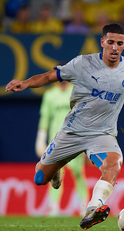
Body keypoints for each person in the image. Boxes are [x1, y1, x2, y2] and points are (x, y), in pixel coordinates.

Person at [5, 23, 124, 229]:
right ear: (102, 42)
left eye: (119, 43)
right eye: (110, 42)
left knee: (114, 164)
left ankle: (92, 208)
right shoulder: (82, 64)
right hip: (72, 132)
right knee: (40, 179)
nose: (114, 48)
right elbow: (49, 76)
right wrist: (26, 83)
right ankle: (55, 170)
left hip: (102, 134)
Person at [35, 74, 89, 216]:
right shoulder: (50, 95)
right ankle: (54, 207)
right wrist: (40, 139)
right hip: (56, 140)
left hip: (74, 139)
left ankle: (85, 207)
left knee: (78, 173)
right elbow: (45, 118)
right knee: (53, 173)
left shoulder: (77, 92)